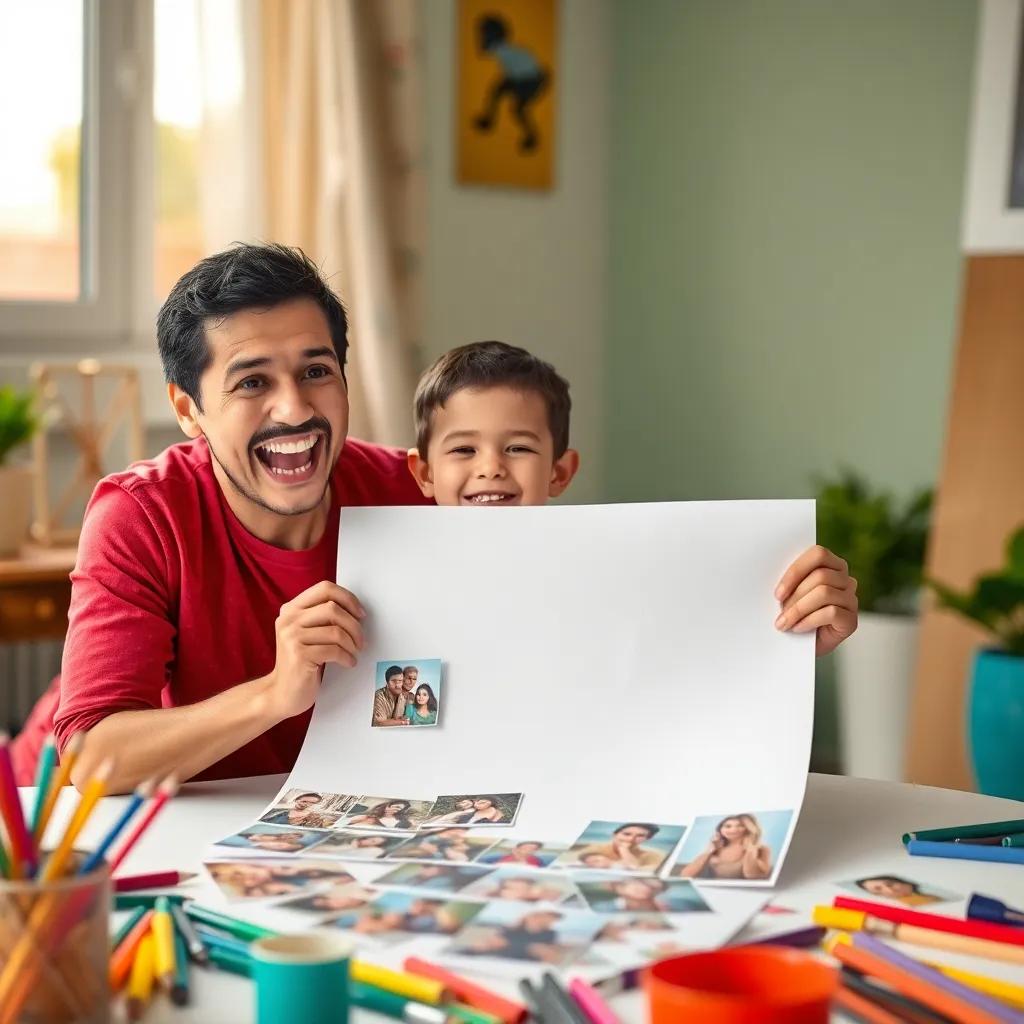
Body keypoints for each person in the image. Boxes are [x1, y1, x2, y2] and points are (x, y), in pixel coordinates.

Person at [12, 243, 432, 791]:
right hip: (50, 816)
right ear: (188, 410)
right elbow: (91, 759)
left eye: (316, 370)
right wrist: (275, 692)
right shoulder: (140, 514)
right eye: (253, 382)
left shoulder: (411, 490)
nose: (295, 409)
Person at [407, 341, 858, 652]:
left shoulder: (615, 574)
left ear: (560, 472)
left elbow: (688, 653)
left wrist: (795, 641)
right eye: (464, 449)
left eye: (518, 448)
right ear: (424, 473)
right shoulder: (393, 589)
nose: (491, 467)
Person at [678, 814, 773, 881]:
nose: (733, 830)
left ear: (749, 828)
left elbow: (752, 876)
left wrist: (750, 850)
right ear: (720, 830)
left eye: (741, 826)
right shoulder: (715, 848)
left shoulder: (761, 849)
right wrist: (709, 851)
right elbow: (686, 874)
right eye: (728, 826)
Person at [460, 910, 567, 964]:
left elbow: (549, 953)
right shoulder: (511, 929)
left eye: (552, 919)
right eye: (545, 917)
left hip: (526, 964)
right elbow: (497, 943)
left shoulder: (550, 933)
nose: (548, 921)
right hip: (498, 959)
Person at [573, 822, 667, 872]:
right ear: (615, 834)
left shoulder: (653, 855)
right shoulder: (595, 848)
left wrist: (623, 849)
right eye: (626, 834)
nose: (631, 839)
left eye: (640, 836)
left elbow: (633, 867)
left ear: (647, 839)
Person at [261, 791, 336, 829]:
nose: (306, 804)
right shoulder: (278, 811)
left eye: (312, 803)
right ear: (296, 800)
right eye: (304, 801)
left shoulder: (315, 816)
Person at [854, 876, 941, 907]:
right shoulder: (905, 903)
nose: (890, 890)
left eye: (890, 884)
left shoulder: (931, 895)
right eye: (878, 890)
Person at [346, 799, 416, 830]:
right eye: (395, 806)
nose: (395, 809)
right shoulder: (366, 817)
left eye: (399, 808)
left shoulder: (403, 822)